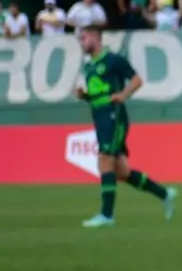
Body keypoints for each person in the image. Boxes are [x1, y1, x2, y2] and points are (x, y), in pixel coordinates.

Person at [75, 25, 176, 228]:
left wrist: (124, 94)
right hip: (100, 117)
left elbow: (137, 80)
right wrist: (85, 96)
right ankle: (164, 194)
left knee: (104, 160)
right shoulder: (88, 67)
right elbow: (97, 95)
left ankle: (106, 215)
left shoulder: (114, 60)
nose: (81, 42)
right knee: (122, 171)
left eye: (84, 38)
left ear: (95, 37)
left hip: (114, 116)